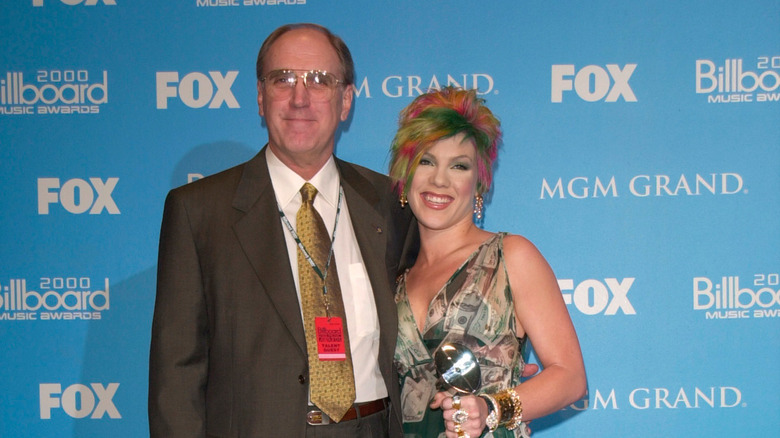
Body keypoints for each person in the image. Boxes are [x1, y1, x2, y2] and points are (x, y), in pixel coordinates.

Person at [148, 23, 416, 438]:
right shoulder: (198, 212)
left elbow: (426, 322)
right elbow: (176, 377)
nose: (299, 97)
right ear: (259, 96)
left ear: (346, 101)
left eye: (320, 80)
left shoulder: (390, 202)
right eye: (283, 79)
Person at [389, 87, 586, 438]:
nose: (439, 180)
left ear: (479, 183)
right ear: (405, 174)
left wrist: (492, 408)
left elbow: (570, 378)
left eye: (459, 166)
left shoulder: (510, 256)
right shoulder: (392, 274)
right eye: (426, 161)